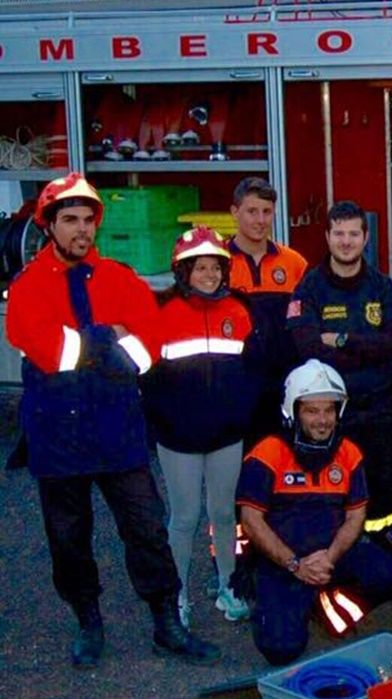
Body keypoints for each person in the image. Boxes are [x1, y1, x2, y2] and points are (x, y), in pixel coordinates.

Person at [6, 173, 219, 667]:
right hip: (58, 439)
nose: (82, 230)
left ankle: (167, 623)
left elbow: (149, 350)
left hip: (117, 434)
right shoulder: (27, 286)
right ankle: (88, 622)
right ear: (50, 226)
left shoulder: (120, 278)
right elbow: (46, 350)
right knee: (68, 540)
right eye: (70, 220)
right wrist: (109, 337)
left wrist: (89, 343)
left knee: (146, 529)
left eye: (88, 220)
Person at [236, 360, 392, 665]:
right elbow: (250, 520)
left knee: (390, 573)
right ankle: (288, 601)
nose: (322, 420)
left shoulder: (349, 453)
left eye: (329, 410)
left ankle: (322, 601)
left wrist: (330, 558)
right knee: (280, 649)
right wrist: (295, 565)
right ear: (294, 411)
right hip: (284, 563)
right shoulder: (267, 454)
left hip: (331, 557)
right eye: (312, 411)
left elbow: (356, 516)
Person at [143, 227, 257, 627]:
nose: (209, 274)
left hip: (226, 435)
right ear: (184, 271)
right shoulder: (162, 312)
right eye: (200, 267)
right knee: (185, 517)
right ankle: (177, 597)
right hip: (179, 439)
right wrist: (162, 423)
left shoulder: (238, 311)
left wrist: (240, 415)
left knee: (224, 514)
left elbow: (248, 372)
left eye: (215, 267)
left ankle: (227, 585)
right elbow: (148, 379)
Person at [288, 200, 392, 532]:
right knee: (331, 493)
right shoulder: (309, 288)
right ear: (327, 237)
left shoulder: (382, 287)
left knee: (383, 493)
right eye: (339, 233)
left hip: (379, 410)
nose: (346, 241)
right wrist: (370, 346)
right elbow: (308, 346)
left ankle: (385, 565)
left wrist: (341, 340)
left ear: (365, 237)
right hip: (330, 414)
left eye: (353, 233)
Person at [226, 177, 309, 447]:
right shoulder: (217, 264)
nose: (260, 220)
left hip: (283, 385)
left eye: (267, 212)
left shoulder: (294, 263)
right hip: (236, 385)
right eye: (252, 211)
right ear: (234, 212)